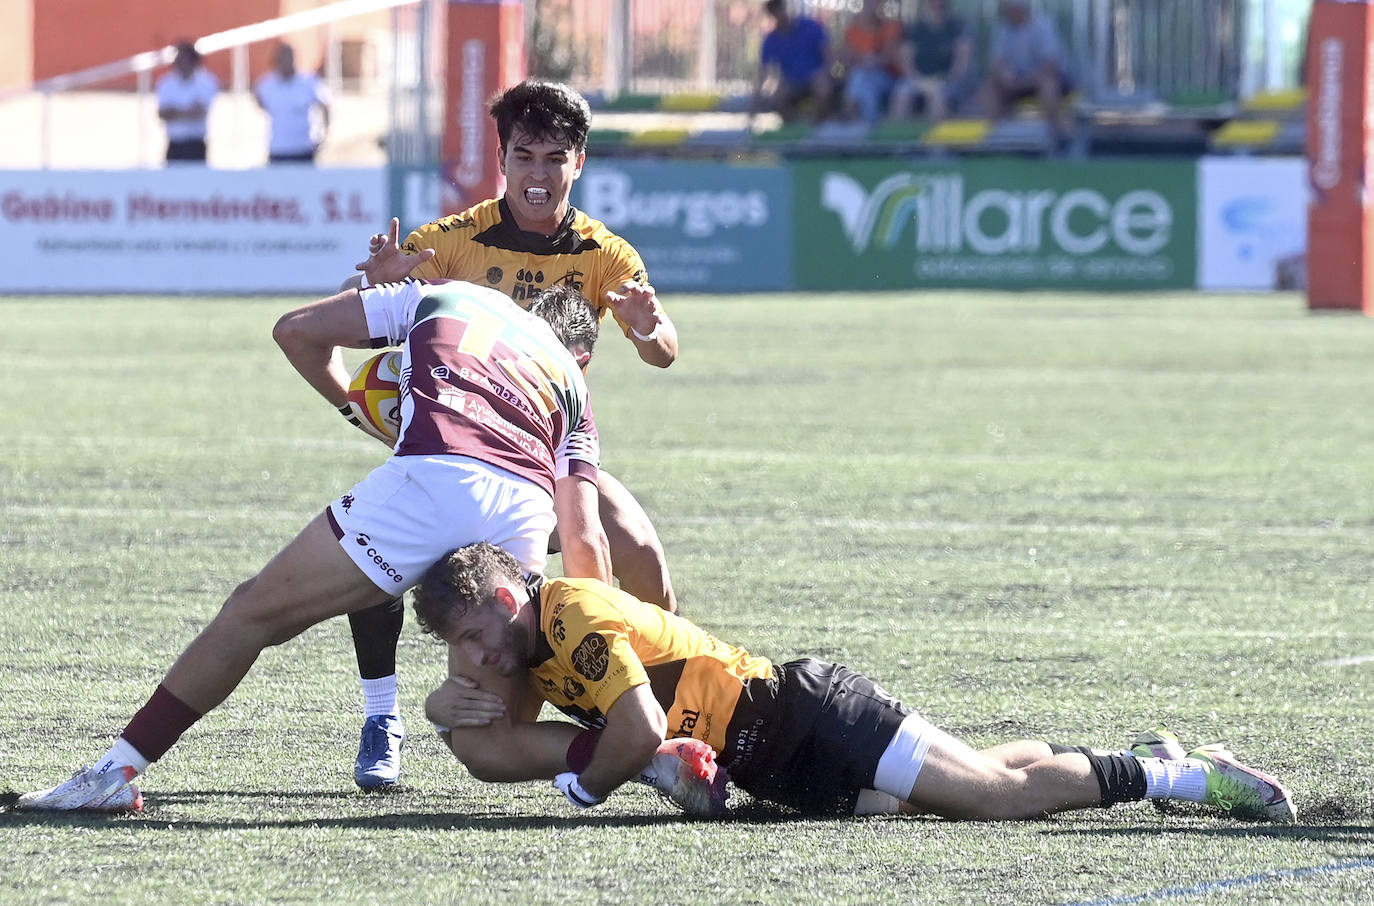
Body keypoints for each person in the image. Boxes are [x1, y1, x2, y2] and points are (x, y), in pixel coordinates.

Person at [14, 281, 613, 813]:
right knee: (493, 740)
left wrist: (362, 414)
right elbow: (583, 537)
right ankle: (641, 750)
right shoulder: (567, 374)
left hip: (434, 477)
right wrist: (598, 638)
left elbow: (296, 332)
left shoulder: (437, 295)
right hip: (524, 511)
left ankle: (114, 773)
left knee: (252, 613)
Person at [418, 542, 1298, 823]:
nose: (476, 660)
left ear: (505, 596)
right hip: (772, 763)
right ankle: (1130, 759)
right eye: (460, 653)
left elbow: (639, 727)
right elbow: (490, 748)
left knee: (993, 797)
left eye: (472, 638)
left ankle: (1184, 777)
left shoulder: (568, 610)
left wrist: (582, 789)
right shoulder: (524, 643)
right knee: (960, 793)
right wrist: (437, 707)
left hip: (803, 715)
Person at [341, 79, 681, 791]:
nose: (539, 174)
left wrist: (650, 330)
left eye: (555, 157)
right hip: (463, 455)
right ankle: (382, 717)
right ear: (502, 159)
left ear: (579, 163)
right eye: (524, 155)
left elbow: (662, 347)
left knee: (640, 546)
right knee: (373, 555)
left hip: (553, 462)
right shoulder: (451, 243)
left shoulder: (602, 253)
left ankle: (658, 707)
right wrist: (373, 288)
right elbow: (360, 319)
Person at [977, 0, 1074, 145]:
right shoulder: (1003, 29)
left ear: (1019, 9)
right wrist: (1004, 75)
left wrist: (1026, 81)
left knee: (1048, 85)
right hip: (1016, 81)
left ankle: (1057, 137)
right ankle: (995, 136)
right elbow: (996, 62)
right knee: (989, 88)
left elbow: (1051, 64)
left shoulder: (1043, 25)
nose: (1005, 13)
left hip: (1043, 79)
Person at [748, 0, 834, 127]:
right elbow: (764, 72)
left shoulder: (810, 26)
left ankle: (816, 126)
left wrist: (825, 73)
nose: (782, 15)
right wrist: (755, 99)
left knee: (822, 87)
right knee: (778, 97)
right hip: (792, 83)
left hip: (815, 78)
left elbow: (829, 54)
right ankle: (794, 126)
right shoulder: (771, 40)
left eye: (782, 10)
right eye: (777, 13)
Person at [889, 0, 973, 121]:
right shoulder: (915, 28)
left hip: (945, 81)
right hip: (917, 80)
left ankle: (935, 138)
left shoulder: (957, 27)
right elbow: (907, 61)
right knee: (902, 93)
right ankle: (897, 136)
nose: (937, 5)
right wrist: (918, 79)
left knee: (936, 95)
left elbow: (962, 64)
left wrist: (945, 79)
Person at [254, 42, 331, 164]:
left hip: (304, 149)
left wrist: (324, 135)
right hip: (277, 150)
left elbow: (325, 105)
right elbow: (260, 102)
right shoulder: (266, 84)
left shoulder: (309, 83)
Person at [837, 0, 905, 123]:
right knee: (863, 81)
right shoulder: (853, 30)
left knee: (861, 78)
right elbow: (846, 59)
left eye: (875, 3)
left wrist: (875, 61)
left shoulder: (890, 26)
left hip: (889, 78)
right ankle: (871, 123)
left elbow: (893, 57)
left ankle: (851, 112)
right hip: (863, 77)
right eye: (868, 3)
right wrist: (863, 60)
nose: (871, 6)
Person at [156, 41, 218, 164]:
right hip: (174, 144)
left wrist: (174, 111)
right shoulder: (166, 83)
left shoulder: (206, 82)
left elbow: (198, 113)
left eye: (183, 58)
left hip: (195, 144)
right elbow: (162, 113)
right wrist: (186, 111)